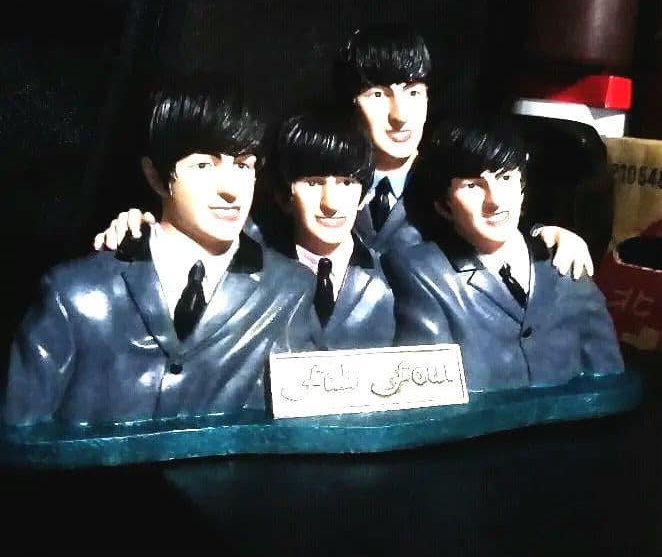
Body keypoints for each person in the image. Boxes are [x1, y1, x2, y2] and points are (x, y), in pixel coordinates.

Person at [95, 23, 593, 278]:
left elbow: (494, 224)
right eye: (378, 94)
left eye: (414, 92)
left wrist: (544, 237)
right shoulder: (298, 173)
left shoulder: (452, 180)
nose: (400, 115)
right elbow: (231, 227)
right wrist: (149, 227)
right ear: (349, 101)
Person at [3, 90, 314, 426]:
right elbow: (21, 435)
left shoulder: (289, 290)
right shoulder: (74, 294)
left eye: (243, 165)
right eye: (204, 164)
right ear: (155, 176)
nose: (231, 188)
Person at [381, 117, 624, 392]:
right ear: (444, 205)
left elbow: (608, 378)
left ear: (522, 189)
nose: (495, 201)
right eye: (473, 185)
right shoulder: (422, 273)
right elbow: (430, 391)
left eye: (505, 178)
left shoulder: (564, 259)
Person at [271, 112, 394, 350]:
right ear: (284, 194)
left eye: (346, 182)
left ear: (363, 195)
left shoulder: (393, 278)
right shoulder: (258, 275)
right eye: (313, 182)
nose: (331, 203)